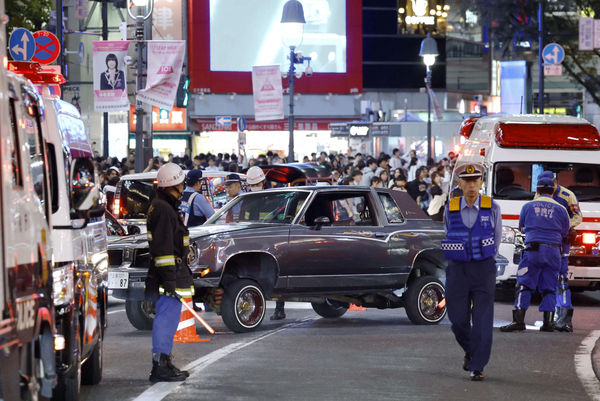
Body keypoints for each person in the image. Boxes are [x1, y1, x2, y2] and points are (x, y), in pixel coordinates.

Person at [442, 163, 502, 381]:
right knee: (457, 320)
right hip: (458, 270)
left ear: (481, 183)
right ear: (460, 184)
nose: (471, 185)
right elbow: (448, 231)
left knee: (483, 321)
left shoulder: (492, 207)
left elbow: (496, 237)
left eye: (475, 181)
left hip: (483, 269)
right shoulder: (451, 207)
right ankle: (472, 351)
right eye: (467, 182)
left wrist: (486, 259)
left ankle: (478, 366)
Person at [500, 172, 570, 334]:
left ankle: (518, 321)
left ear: (537, 191)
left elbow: (522, 228)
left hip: (533, 251)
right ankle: (548, 323)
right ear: (553, 191)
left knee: (524, 284)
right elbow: (565, 232)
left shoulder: (527, 207)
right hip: (553, 253)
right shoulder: (561, 209)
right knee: (550, 287)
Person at [145, 163, 193, 383]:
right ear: (174, 185)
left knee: (169, 320)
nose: (183, 188)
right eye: (181, 183)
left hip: (167, 275)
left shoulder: (164, 206)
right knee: (166, 320)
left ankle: (164, 363)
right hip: (167, 277)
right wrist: (170, 281)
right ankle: (160, 367)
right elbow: (164, 250)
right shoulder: (164, 209)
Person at [540, 171, 582, 332]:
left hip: (561, 242)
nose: (546, 188)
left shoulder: (567, 195)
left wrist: (563, 227)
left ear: (556, 182)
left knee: (560, 279)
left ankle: (564, 319)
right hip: (545, 243)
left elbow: (578, 216)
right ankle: (551, 317)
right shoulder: (539, 195)